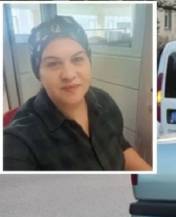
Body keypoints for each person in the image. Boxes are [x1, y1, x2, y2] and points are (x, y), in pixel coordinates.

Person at [3, 16, 151, 171]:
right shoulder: (18, 142)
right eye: (53, 63)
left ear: (89, 61)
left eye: (77, 59)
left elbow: (120, 146)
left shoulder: (104, 101)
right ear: (38, 72)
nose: (68, 74)